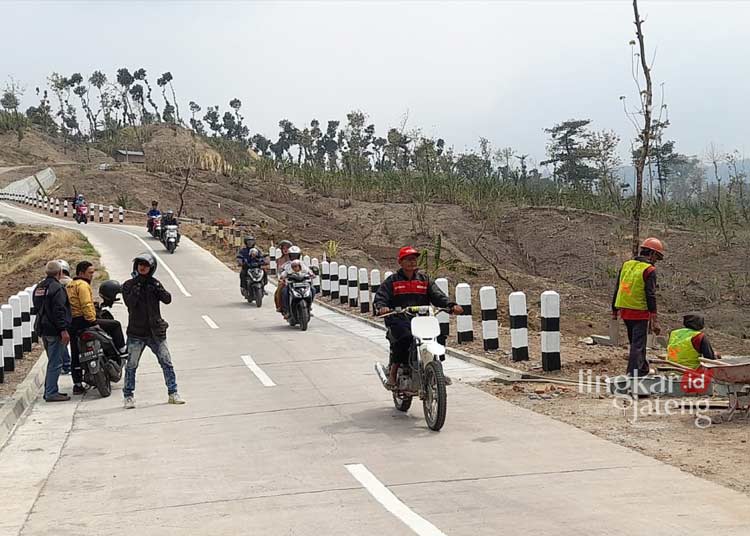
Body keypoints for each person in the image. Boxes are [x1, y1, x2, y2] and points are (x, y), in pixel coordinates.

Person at [373, 246, 463, 388]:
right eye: (408, 259)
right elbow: (381, 297)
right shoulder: (392, 281)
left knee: (439, 336)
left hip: (422, 320)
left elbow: (438, 296)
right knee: (405, 338)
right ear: (400, 262)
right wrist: (382, 307)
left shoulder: (424, 280)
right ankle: (393, 372)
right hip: (399, 319)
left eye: (414, 259)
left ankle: (437, 370)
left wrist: (451, 305)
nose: (412, 262)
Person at [121, 253, 185, 409]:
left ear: (151, 268)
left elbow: (167, 299)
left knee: (166, 362)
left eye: (145, 265)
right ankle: (128, 396)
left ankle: (173, 392)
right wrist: (136, 289)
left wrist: (157, 288)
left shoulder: (154, 283)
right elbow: (129, 304)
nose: (142, 267)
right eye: (140, 264)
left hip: (156, 332)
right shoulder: (129, 285)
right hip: (136, 333)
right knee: (131, 365)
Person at [67, 261, 128, 395]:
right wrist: (93, 321)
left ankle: (77, 384)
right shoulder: (83, 285)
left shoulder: (69, 285)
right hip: (84, 321)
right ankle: (123, 351)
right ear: (81, 273)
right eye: (90, 272)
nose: (92, 275)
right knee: (115, 324)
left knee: (75, 353)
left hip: (72, 324)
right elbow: (86, 304)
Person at [612, 237, 664, 377]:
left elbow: (618, 287)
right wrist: (654, 318)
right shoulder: (649, 270)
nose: (655, 261)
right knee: (638, 344)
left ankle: (642, 369)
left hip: (624, 309)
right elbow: (650, 295)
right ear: (652, 254)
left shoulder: (626, 265)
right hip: (639, 311)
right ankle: (633, 374)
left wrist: (614, 309)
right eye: (656, 258)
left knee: (635, 343)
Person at [33, 261, 72, 402]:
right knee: (55, 362)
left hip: (43, 329)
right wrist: (63, 330)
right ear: (60, 273)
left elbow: (37, 307)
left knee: (52, 361)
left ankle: (49, 391)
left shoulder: (39, 287)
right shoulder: (57, 288)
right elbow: (59, 311)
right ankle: (51, 392)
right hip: (55, 330)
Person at [56, 259, 73, 374]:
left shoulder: (54, 284)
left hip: (60, 318)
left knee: (62, 343)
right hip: (73, 315)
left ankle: (66, 364)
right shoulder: (73, 282)